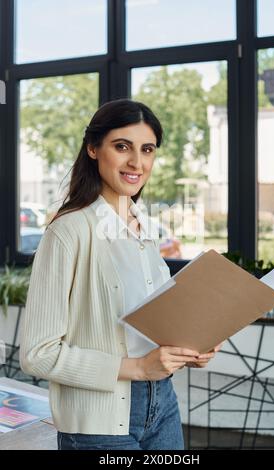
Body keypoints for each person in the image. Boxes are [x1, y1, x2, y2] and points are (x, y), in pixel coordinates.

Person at [20, 98, 221, 450]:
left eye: (147, 149)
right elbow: (38, 353)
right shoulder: (68, 232)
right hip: (99, 423)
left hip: (163, 405)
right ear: (93, 149)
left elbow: (151, 326)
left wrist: (191, 347)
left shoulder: (146, 229)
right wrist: (140, 368)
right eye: (122, 147)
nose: (137, 162)